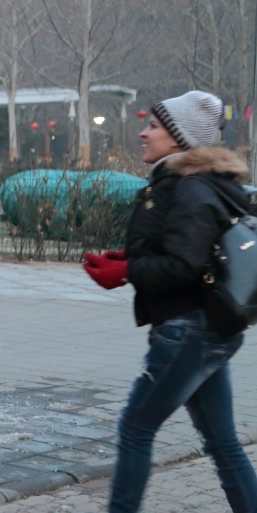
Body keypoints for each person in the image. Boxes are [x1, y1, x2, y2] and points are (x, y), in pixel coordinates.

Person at [82, 90, 257, 513]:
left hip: (188, 333)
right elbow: (192, 252)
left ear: (179, 137)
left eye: (154, 126)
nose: (143, 133)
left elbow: (182, 264)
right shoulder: (192, 184)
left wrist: (126, 272)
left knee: (136, 429)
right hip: (207, 331)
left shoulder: (189, 187)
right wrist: (129, 259)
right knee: (222, 442)